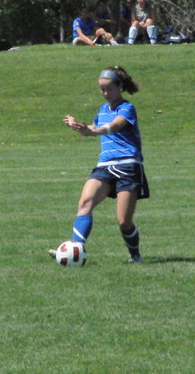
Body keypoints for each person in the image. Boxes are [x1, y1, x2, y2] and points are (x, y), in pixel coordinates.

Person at [50, 66, 149, 263]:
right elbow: (94, 127)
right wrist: (78, 126)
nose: (105, 93)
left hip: (128, 167)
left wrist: (94, 131)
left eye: (109, 89)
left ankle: (135, 256)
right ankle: (75, 250)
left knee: (124, 221)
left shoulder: (127, 108)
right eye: (102, 89)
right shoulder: (103, 109)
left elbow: (115, 126)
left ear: (120, 87)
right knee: (85, 203)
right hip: (105, 166)